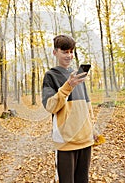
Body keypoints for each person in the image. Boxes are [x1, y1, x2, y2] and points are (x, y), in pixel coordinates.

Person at [42, 35, 97, 183]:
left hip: (85, 138)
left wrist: (93, 128)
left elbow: (87, 104)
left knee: (83, 180)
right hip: (65, 141)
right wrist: (68, 86)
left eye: (71, 51)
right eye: (65, 51)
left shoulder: (77, 74)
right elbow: (50, 106)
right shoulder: (50, 76)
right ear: (55, 52)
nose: (69, 55)